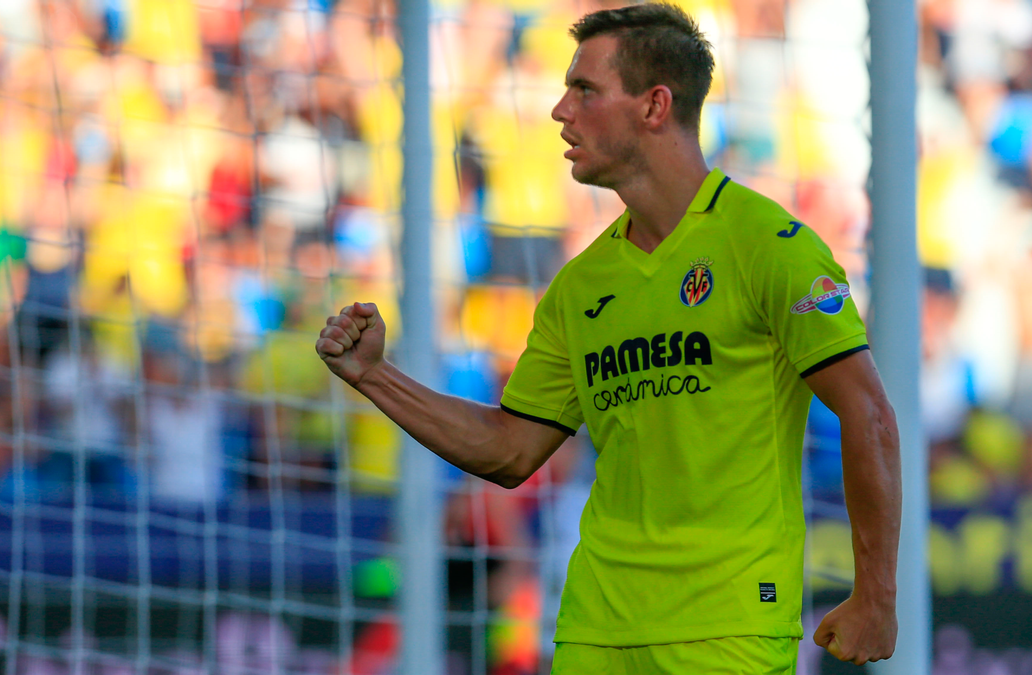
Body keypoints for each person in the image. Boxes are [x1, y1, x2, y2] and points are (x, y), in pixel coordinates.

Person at [316, 3, 901, 672]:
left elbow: (870, 413)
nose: (559, 111)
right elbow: (510, 449)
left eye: (584, 90)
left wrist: (876, 595)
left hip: (726, 628)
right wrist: (374, 375)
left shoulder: (771, 246)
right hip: (595, 629)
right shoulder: (580, 287)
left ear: (654, 106)